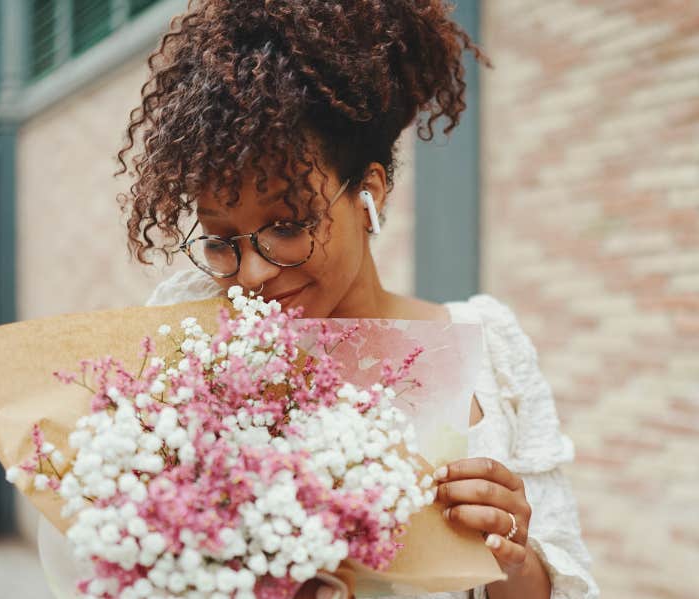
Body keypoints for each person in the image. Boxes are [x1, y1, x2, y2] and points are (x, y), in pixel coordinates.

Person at [121, 2, 598, 598]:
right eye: (221, 241)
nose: (252, 271)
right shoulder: (192, 357)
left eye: (288, 226)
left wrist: (514, 559)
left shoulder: (491, 347)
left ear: (367, 192)